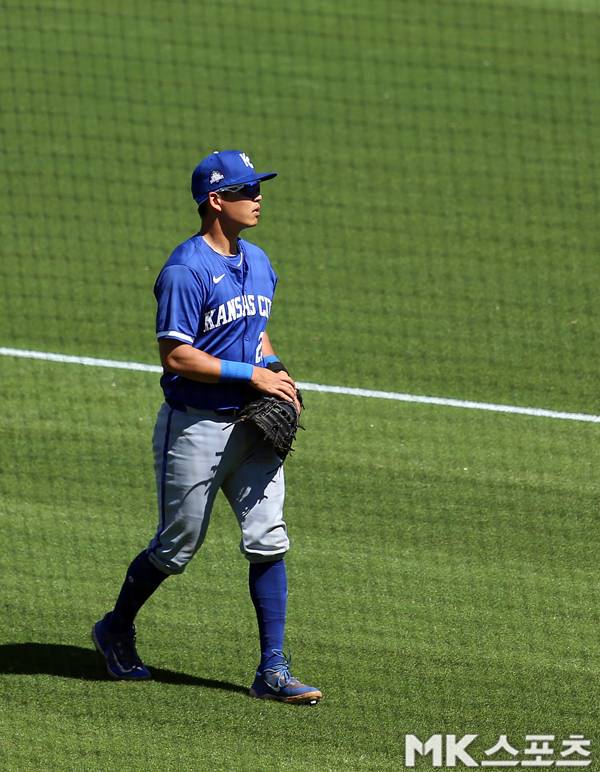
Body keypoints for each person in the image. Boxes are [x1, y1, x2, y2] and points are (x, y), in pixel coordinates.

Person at [92, 150, 322, 704]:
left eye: (258, 188)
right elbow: (177, 356)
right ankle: (115, 628)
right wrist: (253, 375)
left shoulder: (260, 261)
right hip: (194, 428)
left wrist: (276, 369)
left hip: (250, 426)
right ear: (216, 201)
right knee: (176, 548)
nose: (258, 198)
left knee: (269, 538)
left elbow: (256, 330)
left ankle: (273, 670)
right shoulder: (185, 269)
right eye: (247, 190)